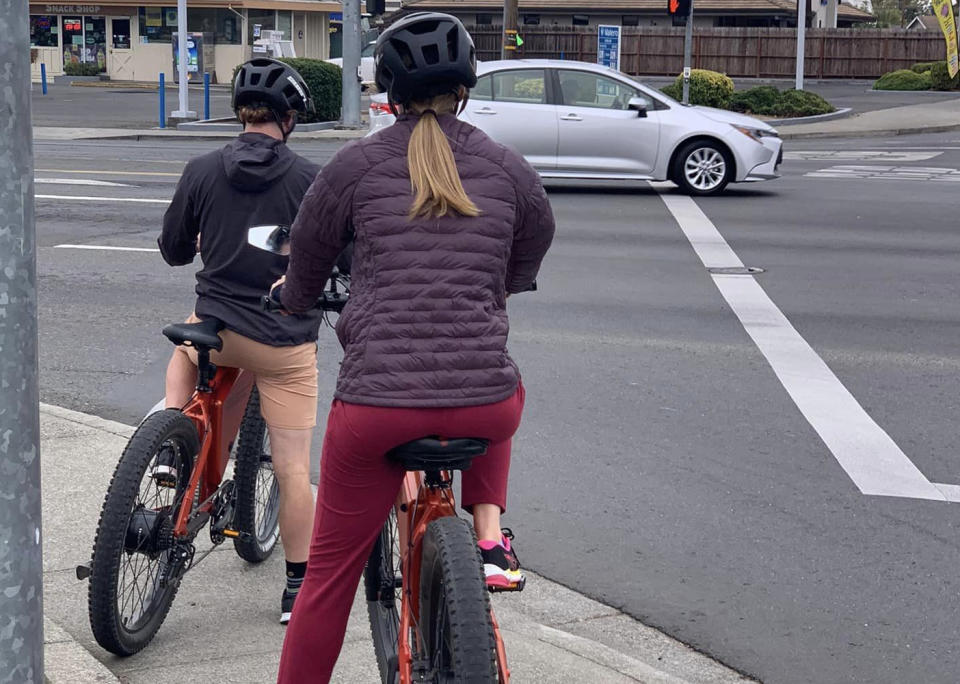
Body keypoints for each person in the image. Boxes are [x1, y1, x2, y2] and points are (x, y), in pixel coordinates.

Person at [273, 13, 555, 682]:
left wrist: (292, 298)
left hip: (378, 409)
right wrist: (498, 289)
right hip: (485, 409)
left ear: (389, 93)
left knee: (327, 584)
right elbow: (535, 240)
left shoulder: (355, 164)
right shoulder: (507, 166)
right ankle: (488, 539)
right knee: (502, 381)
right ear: (465, 89)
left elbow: (309, 257)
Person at [157, 58, 324, 625]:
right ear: (289, 118)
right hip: (279, 343)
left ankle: (169, 434)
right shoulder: (308, 179)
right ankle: (296, 589)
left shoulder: (202, 168)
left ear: (239, 114)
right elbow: (339, 261)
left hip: (215, 333)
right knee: (294, 470)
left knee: (184, 345)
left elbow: (175, 249)